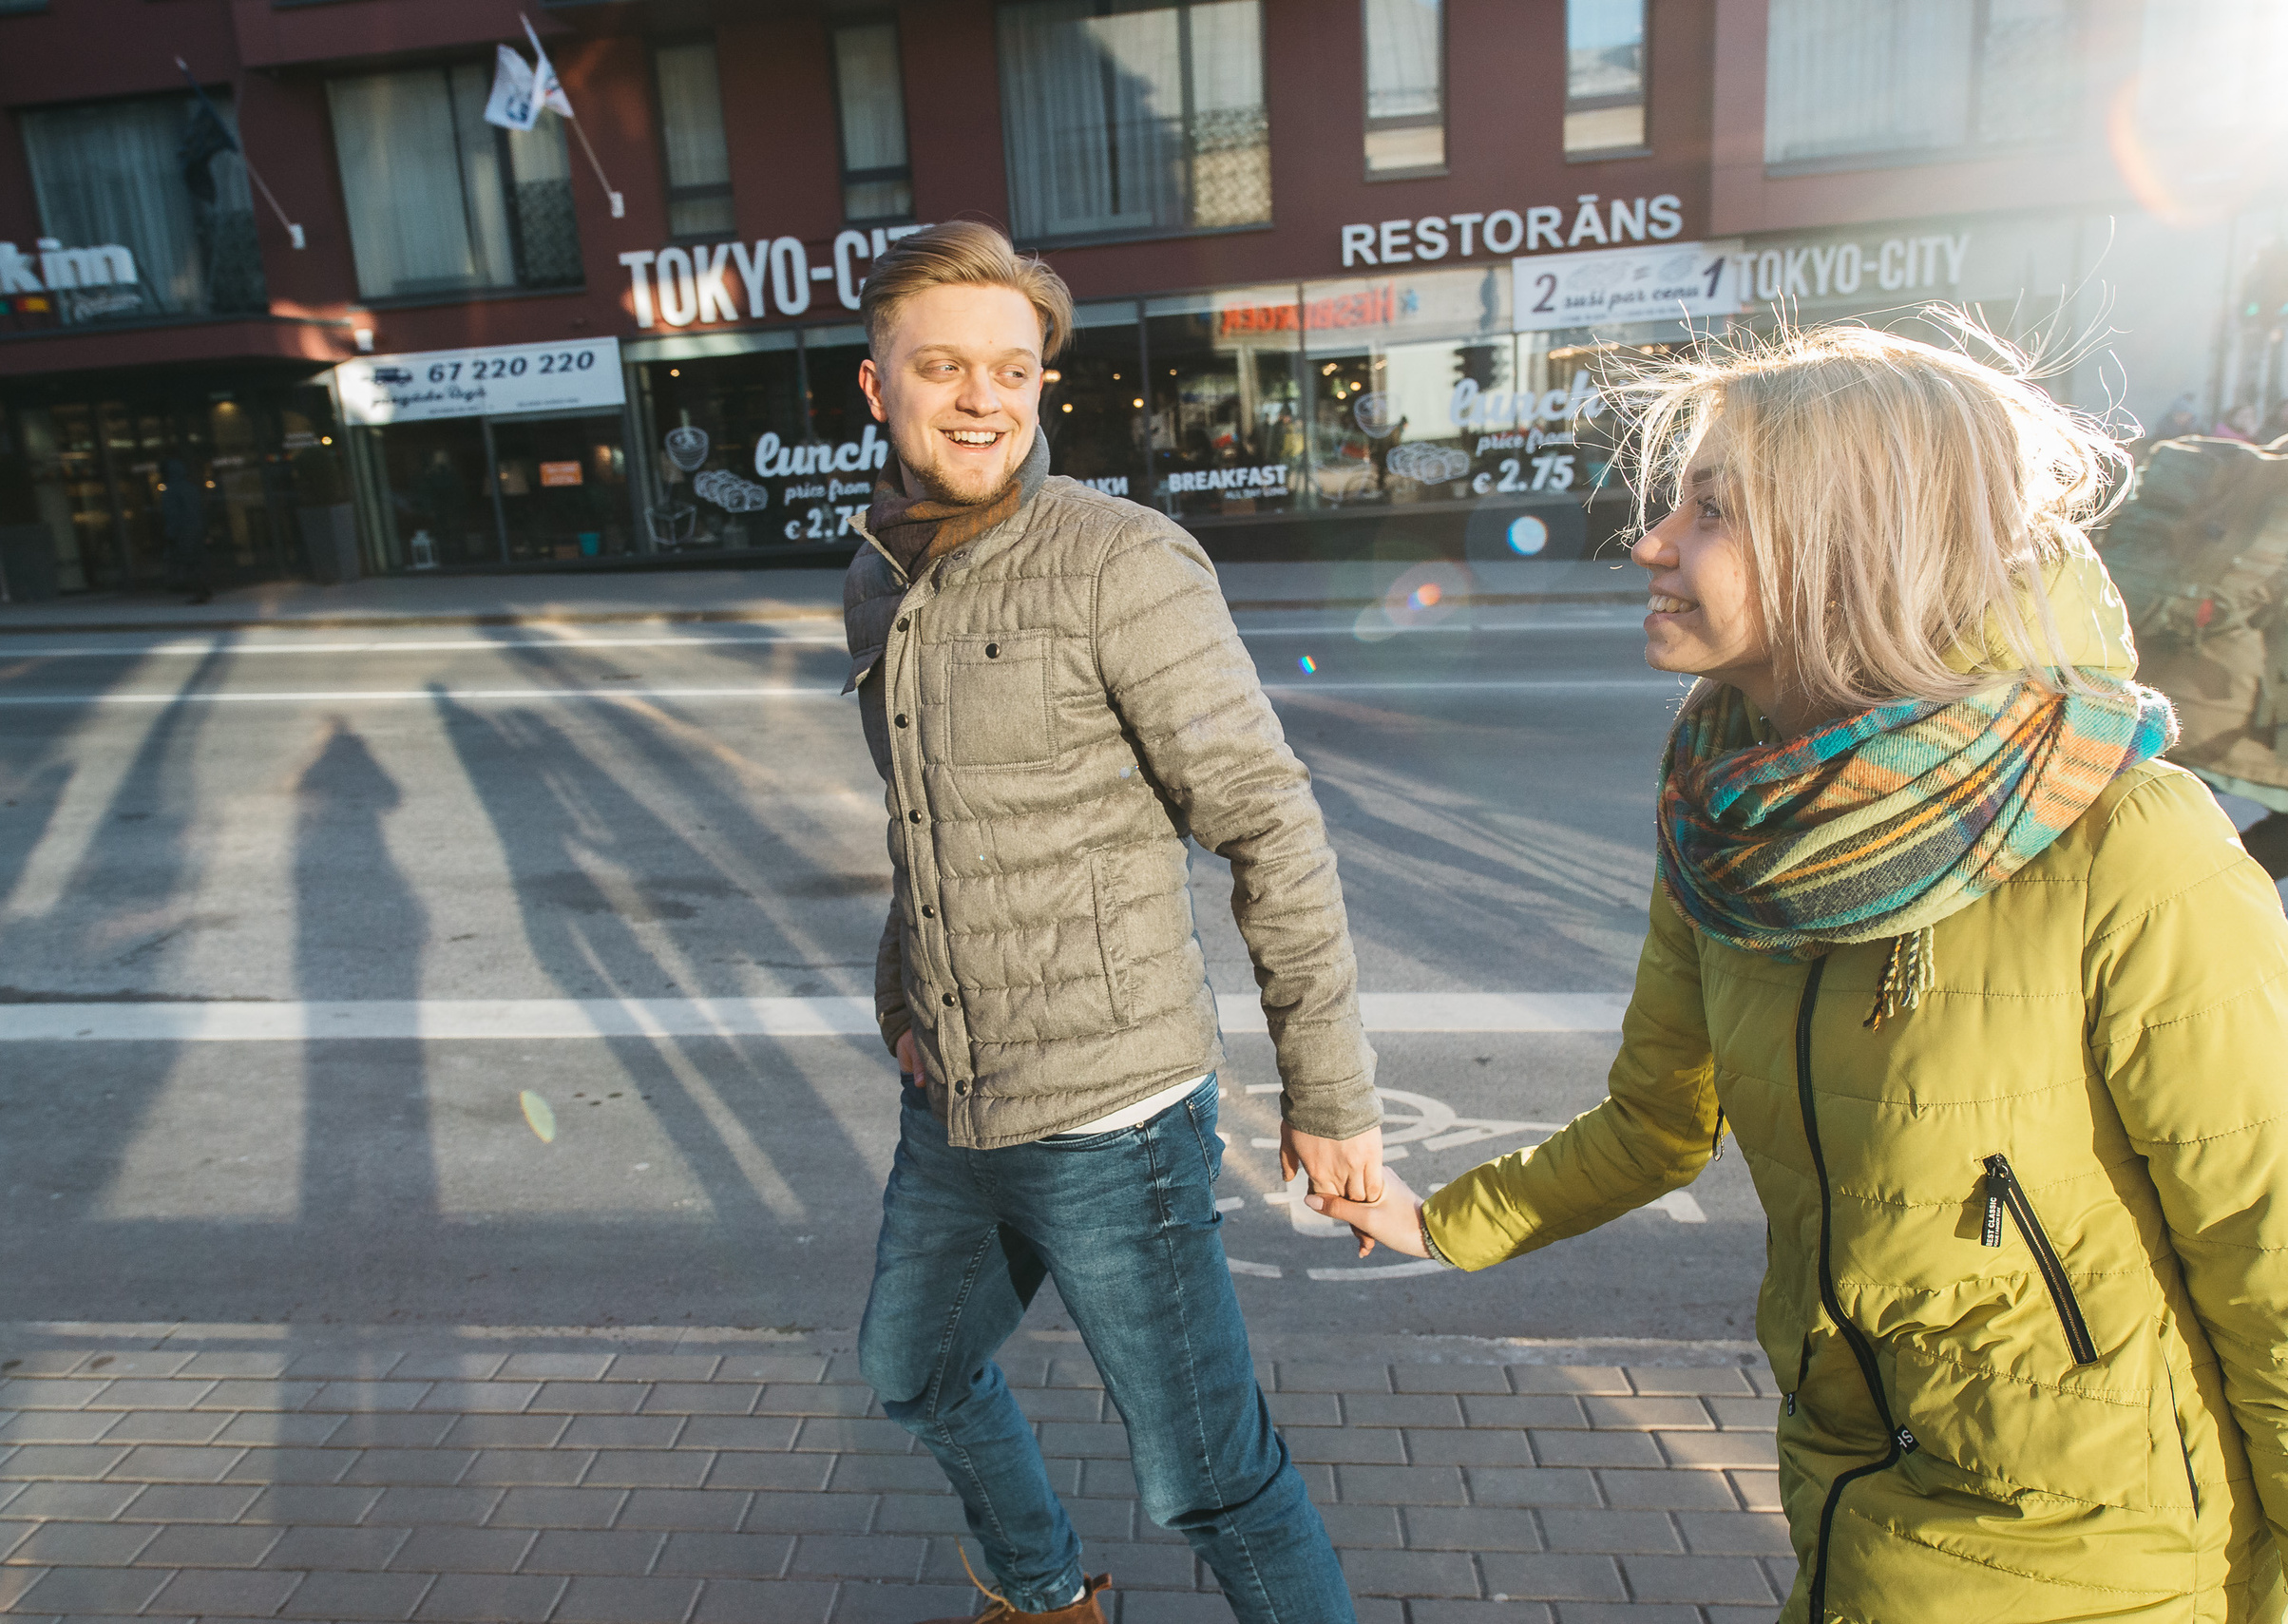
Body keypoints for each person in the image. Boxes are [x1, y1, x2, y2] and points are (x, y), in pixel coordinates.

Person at [1309, 323, 2288, 1621]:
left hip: (2113, 1564)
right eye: (1675, 501)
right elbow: (1658, 1122)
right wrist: (1446, 1223)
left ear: (1854, 549)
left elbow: (2267, 1259)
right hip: (1851, 1516)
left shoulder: (2129, 841)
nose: (1652, 543)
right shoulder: (1729, 820)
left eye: (1712, 511)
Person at [841, 220, 1380, 1624]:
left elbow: (1270, 821)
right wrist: (902, 1003)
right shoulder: (882, 571)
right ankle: (1042, 1592)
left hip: (1113, 1119)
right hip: (953, 1108)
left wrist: (1328, 1094)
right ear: (876, 385)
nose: (981, 399)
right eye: (944, 366)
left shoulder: (1119, 562)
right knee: (912, 1368)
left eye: (1011, 370)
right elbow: (925, 832)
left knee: (1204, 1477)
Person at [159, 457, 210, 604]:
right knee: (197, 561)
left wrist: (171, 533)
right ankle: (204, 589)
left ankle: (199, 592)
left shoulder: (171, 490)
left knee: (188, 562)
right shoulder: (192, 488)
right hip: (196, 529)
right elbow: (201, 510)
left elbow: (172, 514)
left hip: (182, 531)